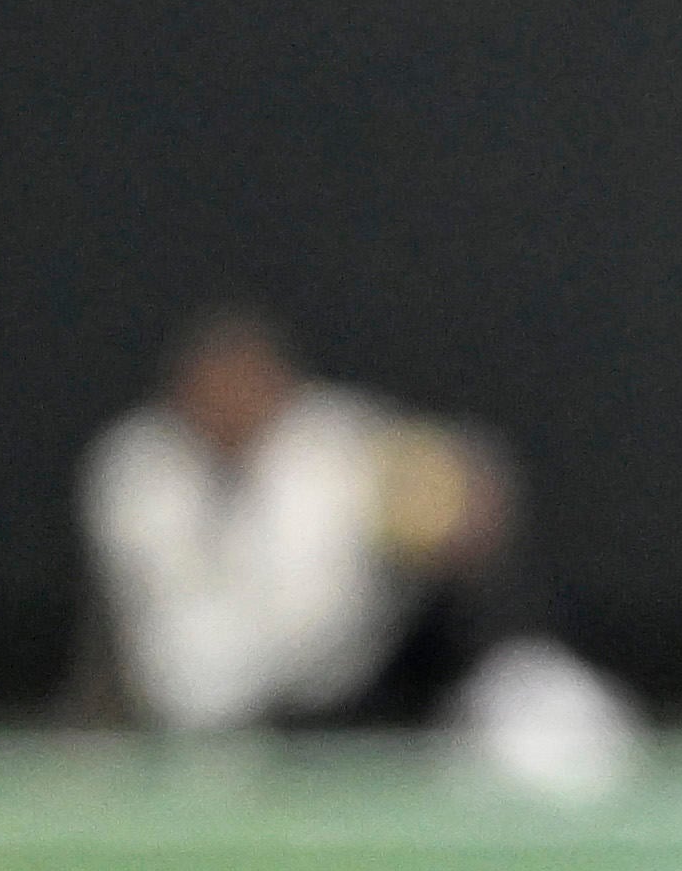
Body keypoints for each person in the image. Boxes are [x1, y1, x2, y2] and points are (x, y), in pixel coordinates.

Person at [72, 305, 635, 797]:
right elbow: (132, 618)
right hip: (210, 704)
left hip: (345, 685)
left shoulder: (338, 441)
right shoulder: (136, 465)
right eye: (213, 387)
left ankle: (528, 705)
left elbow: (472, 487)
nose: (229, 403)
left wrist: (449, 502)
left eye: (244, 384)